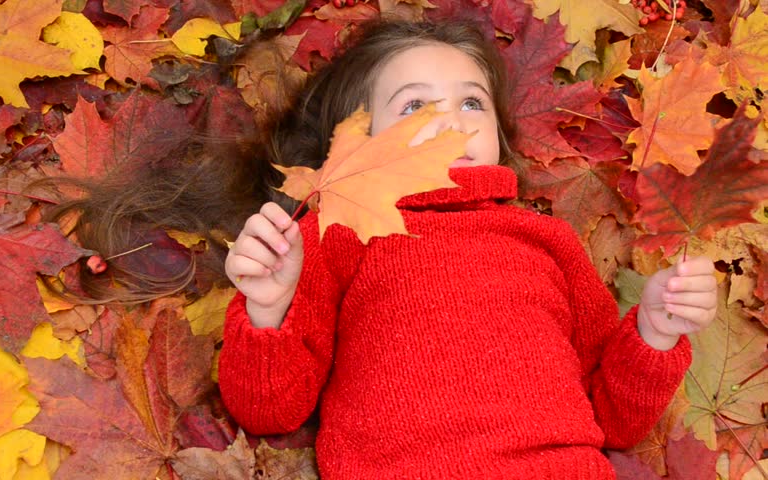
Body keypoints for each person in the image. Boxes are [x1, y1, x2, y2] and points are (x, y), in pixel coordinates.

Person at [217, 19, 718, 479]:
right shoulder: (337, 232)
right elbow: (269, 411)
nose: (454, 122)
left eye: (472, 103)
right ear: (355, 141)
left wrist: (654, 334)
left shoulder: (548, 241)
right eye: (415, 106)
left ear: (498, 133)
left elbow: (615, 421)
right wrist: (268, 310)